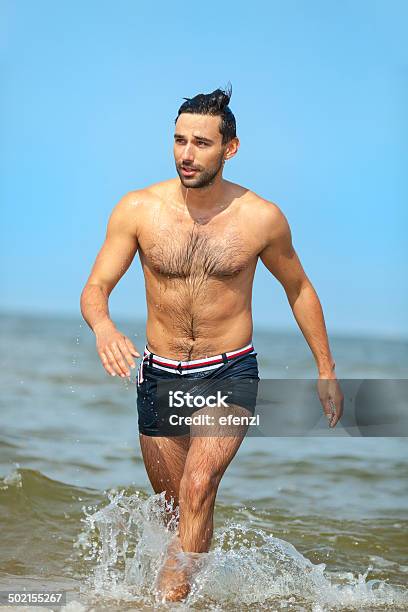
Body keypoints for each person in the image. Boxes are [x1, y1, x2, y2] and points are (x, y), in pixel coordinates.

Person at [80, 84, 344, 602]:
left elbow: (299, 288)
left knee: (199, 487)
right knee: (176, 510)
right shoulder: (138, 209)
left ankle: (170, 602)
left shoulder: (260, 218)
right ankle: (202, 592)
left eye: (201, 142)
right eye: (179, 141)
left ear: (231, 147)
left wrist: (326, 368)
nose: (186, 154)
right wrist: (104, 327)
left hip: (229, 373)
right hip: (159, 376)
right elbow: (96, 288)